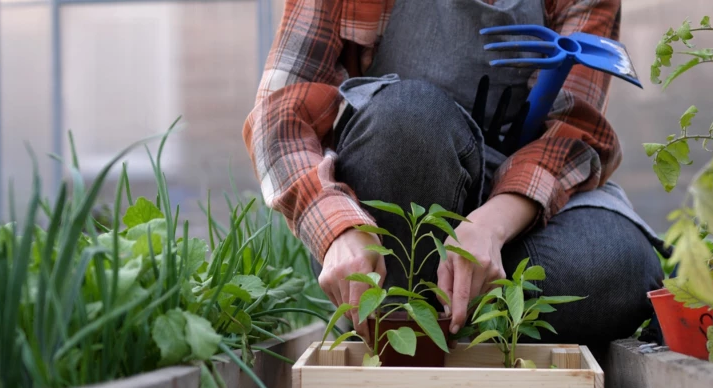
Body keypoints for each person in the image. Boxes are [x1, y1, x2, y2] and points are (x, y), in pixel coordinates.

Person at [243, 0, 667, 346]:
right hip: (397, 191)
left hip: (523, 211)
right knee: (409, 122)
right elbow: (279, 117)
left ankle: (434, 319)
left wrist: (492, 226)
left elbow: (575, 130)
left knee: (616, 265)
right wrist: (337, 230)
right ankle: (403, 324)